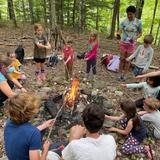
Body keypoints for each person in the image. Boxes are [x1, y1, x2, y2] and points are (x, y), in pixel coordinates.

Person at [4, 92, 55, 160]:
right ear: (29, 114)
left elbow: (25, 133)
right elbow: (31, 133)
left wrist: (44, 125)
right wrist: (45, 150)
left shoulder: (9, 123)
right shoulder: (34, 133)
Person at [117, 5, 142, 81]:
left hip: (131, 44)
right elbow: (120, 30)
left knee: (128, 60)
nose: (129, 16)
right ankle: (119, 74)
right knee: (122, 59)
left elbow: (140, 33)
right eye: (128, 14)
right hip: (123, 43)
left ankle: (125, 75)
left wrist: (136, 38)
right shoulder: (124, 21)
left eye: (131, 14)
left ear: (134, 13)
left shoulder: (138, 22)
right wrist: (118, 34)